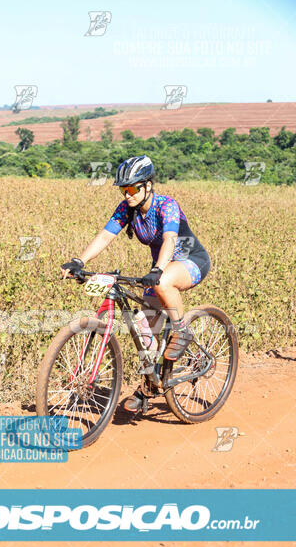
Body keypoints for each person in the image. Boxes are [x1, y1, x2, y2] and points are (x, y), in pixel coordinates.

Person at [60, 155, 210, 412]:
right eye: (123, 189)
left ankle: (182, 330)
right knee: (146, 333)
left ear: (148, 185)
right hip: (160, 269)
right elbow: (106, 236)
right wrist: (79, 260)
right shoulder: (126, 209)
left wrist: (158, 269)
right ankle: (149, 386)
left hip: (189, 260)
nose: (127, 194)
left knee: (163, 284)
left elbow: (170, 240)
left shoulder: (167, 206)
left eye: (132, 188)